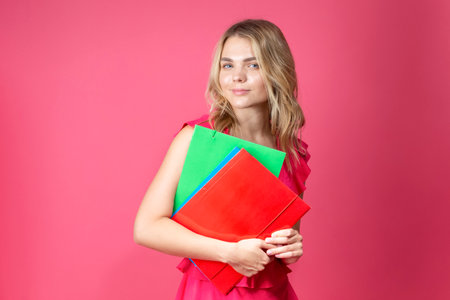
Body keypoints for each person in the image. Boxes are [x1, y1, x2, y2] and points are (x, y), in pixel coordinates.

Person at [133, 19, 311, 299]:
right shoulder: (197, 139)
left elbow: (281, 243)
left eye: (253, 65)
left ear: (278, 71)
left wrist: (291, 247)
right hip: (212, 292)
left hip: (273, 292)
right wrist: (229, 252)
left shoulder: (292, 152)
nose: (237, 76)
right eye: (227, 65)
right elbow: (147, 227)